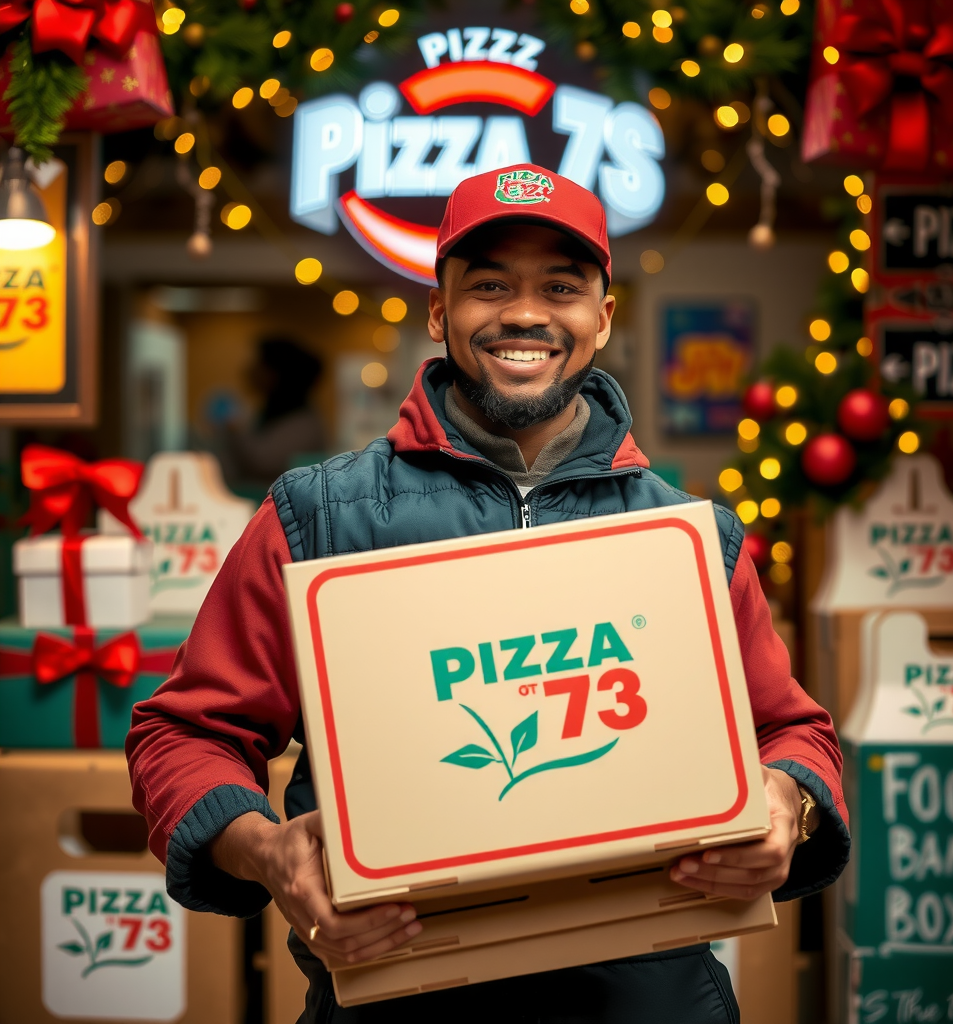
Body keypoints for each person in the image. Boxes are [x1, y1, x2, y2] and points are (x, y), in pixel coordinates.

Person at [127, 164, 849, 1023]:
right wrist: (264, 849)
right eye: (490, 285)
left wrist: (789, 799)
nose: (525, 314)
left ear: (602, 318)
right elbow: (184, 733)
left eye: (561, 287)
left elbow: (793, 732)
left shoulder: (692, 540)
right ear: (440, 311)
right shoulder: (316, 517)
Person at [220, 335, 325, 487]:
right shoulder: (264, 413)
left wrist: (234, 430)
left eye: (259, 364)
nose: (249, 371)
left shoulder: (302, 424)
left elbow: (263, 464)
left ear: (275, 374)